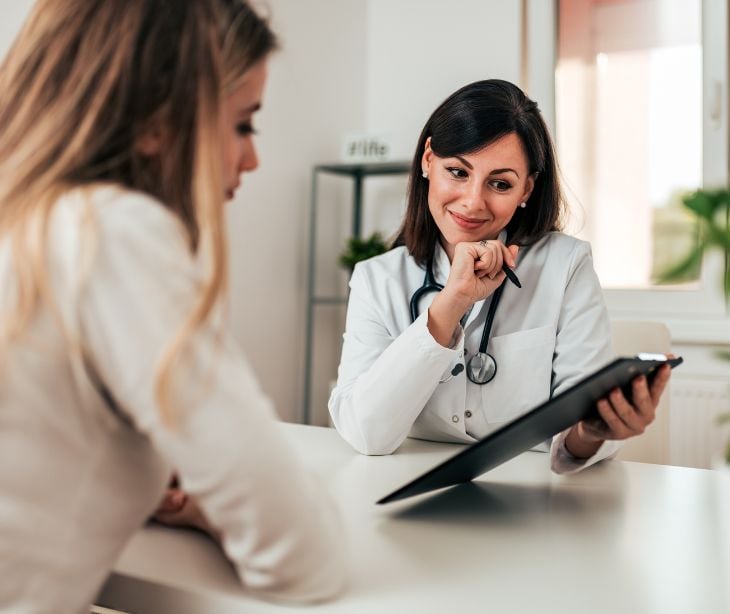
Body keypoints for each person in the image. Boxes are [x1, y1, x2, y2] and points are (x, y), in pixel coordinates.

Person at [0, 0, 345, 611]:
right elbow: (303, 556)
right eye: (244, 124)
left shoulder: (28, 223)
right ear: (157, 122)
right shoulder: (110, 233)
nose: (253, 158)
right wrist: (214, 508)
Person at [329, 79, 671, 471]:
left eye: (500, 183)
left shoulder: (566, 265)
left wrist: (593, 432)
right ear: (427, 160)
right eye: (457, 171)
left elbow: (573, 430)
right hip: (404, 486)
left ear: (527, 188)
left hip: (535, 499)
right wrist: (449, 305)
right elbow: (366, 434)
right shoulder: (377, 279)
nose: (473, 202)